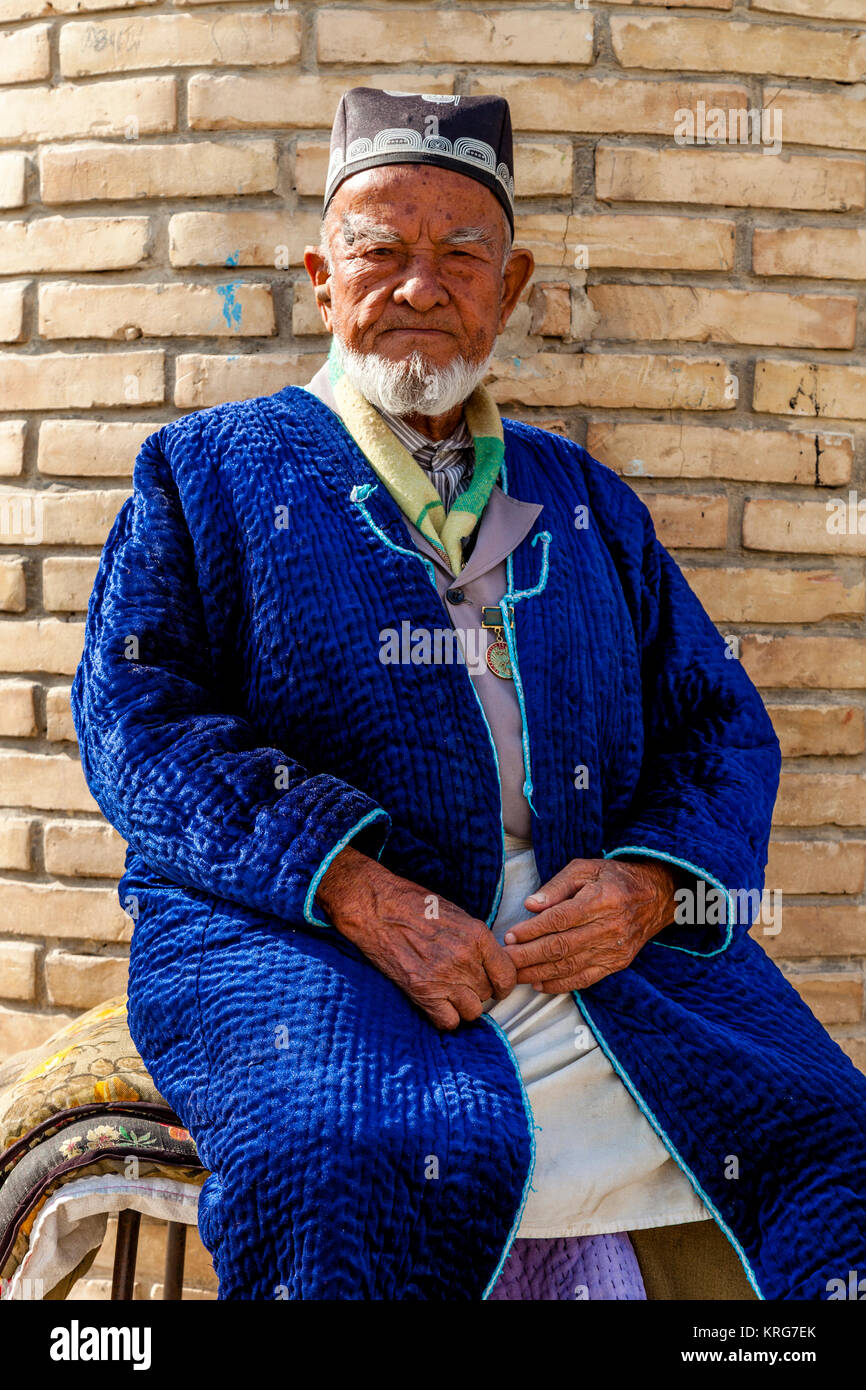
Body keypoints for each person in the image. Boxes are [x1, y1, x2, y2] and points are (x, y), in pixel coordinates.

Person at [71, 88, 866, 1301]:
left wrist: (648, 884)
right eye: (379, 251)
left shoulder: (578, 493)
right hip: (303, 927)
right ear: (321, 279)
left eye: (460, 255)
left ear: (513, 284)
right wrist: (348, 882)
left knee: (822, 1130)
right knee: (346, 1160)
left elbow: (719, 717)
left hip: (584, 928)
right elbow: (136, 722)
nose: (418, 284)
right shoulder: (204, 471)